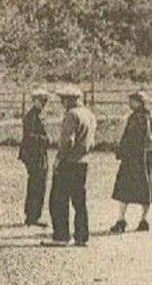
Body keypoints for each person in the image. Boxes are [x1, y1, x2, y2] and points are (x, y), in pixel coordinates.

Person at [45, 85, 97, 246]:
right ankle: (82, 236)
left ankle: (61, 236)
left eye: (63, 99)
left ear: (70, 100)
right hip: (83, 162)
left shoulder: (71, 115)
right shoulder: (89, 115)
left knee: (58, 199)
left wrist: (59, 159)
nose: (62, 103)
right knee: (79, 201)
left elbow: (68, 140)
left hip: (69, 163)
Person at [111, 91, 152, 233]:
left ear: (139, 102)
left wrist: (120, 152)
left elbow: (130, 140)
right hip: (150, 159)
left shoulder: (135, 119)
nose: (129, 103)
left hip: (134, 159)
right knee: (147, 190)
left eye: (132, 101)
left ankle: (121, 220)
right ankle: (143, 220)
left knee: (124, 189)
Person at [18, 89, 52, 226]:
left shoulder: (36, 115)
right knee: (37, 184)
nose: (44, 103)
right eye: (41, 100)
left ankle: (32, 214)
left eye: (45, 101)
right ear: (35, 100)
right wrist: (46, 139)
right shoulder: (32, 116)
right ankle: (33, 215)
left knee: (36, 183)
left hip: (37, 153)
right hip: (33, 154)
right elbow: (30, 136)